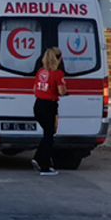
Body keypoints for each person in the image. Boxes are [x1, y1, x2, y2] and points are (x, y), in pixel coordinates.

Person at [32, 47, 67, 177]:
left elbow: (34, 89)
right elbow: (62, 91)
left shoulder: (40, 72)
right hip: (49, 106)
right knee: (49, 136)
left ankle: (39, 159)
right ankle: (44, 166)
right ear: (57, 59)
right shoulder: (58, 74)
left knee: (48, 134)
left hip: (38, 105)